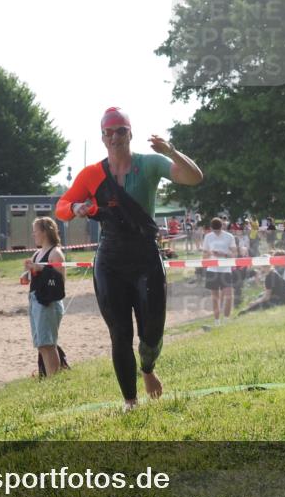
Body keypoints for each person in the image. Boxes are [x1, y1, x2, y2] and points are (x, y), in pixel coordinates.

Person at [56, 107, 202, 410]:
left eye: (120, 130)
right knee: (120, 333)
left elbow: (193, 177)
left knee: (152, 331)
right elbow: (62, 206)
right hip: (110, 258)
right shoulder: (92, 174)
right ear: (102, 137)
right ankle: (130, 402)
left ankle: (147, 368)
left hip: (145, 254)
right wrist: (75, 209)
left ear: (130, 133)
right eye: (108, 132)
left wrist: (172, 151)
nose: (114, 137)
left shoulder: (148, 165)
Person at [23, 217, 66, 378]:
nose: (33, 234)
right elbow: (35, 275)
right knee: (41, 344)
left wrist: (41, 269)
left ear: (45, 232)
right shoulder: (36, 254)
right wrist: (28, 273)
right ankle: (49, 377)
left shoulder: (55, 253)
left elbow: (59, 280)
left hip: (49, 302)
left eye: (35, 231)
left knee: (48, 343)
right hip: (35, 299)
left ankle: (53, 379)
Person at [203, 218, 237, 326]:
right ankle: (217, 321)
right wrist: (209, 254)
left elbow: (235, 254)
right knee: (215, 297)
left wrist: (223, 254)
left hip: (225, 270)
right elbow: (204, 255)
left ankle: (226, 320)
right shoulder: (208, 237)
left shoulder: (229, 236)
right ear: (211, 228)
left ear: (222, 226)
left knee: (229, 296)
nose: (216, 232)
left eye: (218, 229)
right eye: (214, 230)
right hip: (212, 269)